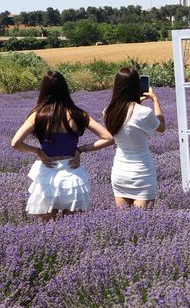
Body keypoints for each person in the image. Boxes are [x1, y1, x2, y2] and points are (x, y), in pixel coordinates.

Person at [11, 71, 113, 221]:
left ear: (44, 90)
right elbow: (108, 138)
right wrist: (80, 150)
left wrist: (38, 152)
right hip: (72, 173)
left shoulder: (38, 115)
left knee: (46, 229)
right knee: (72, 228)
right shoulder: (78, 114)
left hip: (47, 173)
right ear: (65, 89)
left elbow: (15, 143)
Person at [103, 68, 166, 209]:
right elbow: (161, 127)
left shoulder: (108, 112)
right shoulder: (144, 112)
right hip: (142, 173)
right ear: (136, 86)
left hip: (120, 172)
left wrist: (137, 105)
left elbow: (128, 120)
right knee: (144, 224)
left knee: (124, 225)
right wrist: (155, 100)